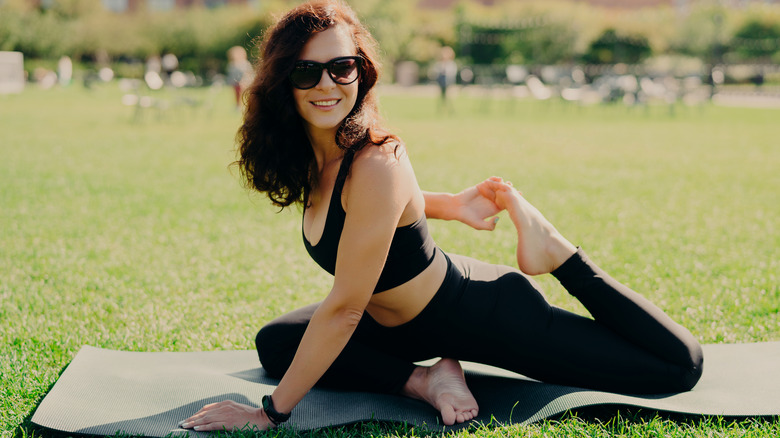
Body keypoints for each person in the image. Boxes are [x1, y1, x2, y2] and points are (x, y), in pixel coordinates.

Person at [180, 0, 703, 431]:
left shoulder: (375, 159)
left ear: (361, 72)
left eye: (342, 67)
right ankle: (426, 380)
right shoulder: (315, 157)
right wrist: (448, 204)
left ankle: (555, 251)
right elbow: (367, 214)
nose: (327, 84)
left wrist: (267, 414)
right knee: (278, 343)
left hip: (481, 314)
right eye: (306, 71)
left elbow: (344, 311)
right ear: (282, 82)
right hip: (404, 331)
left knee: (677, 367)